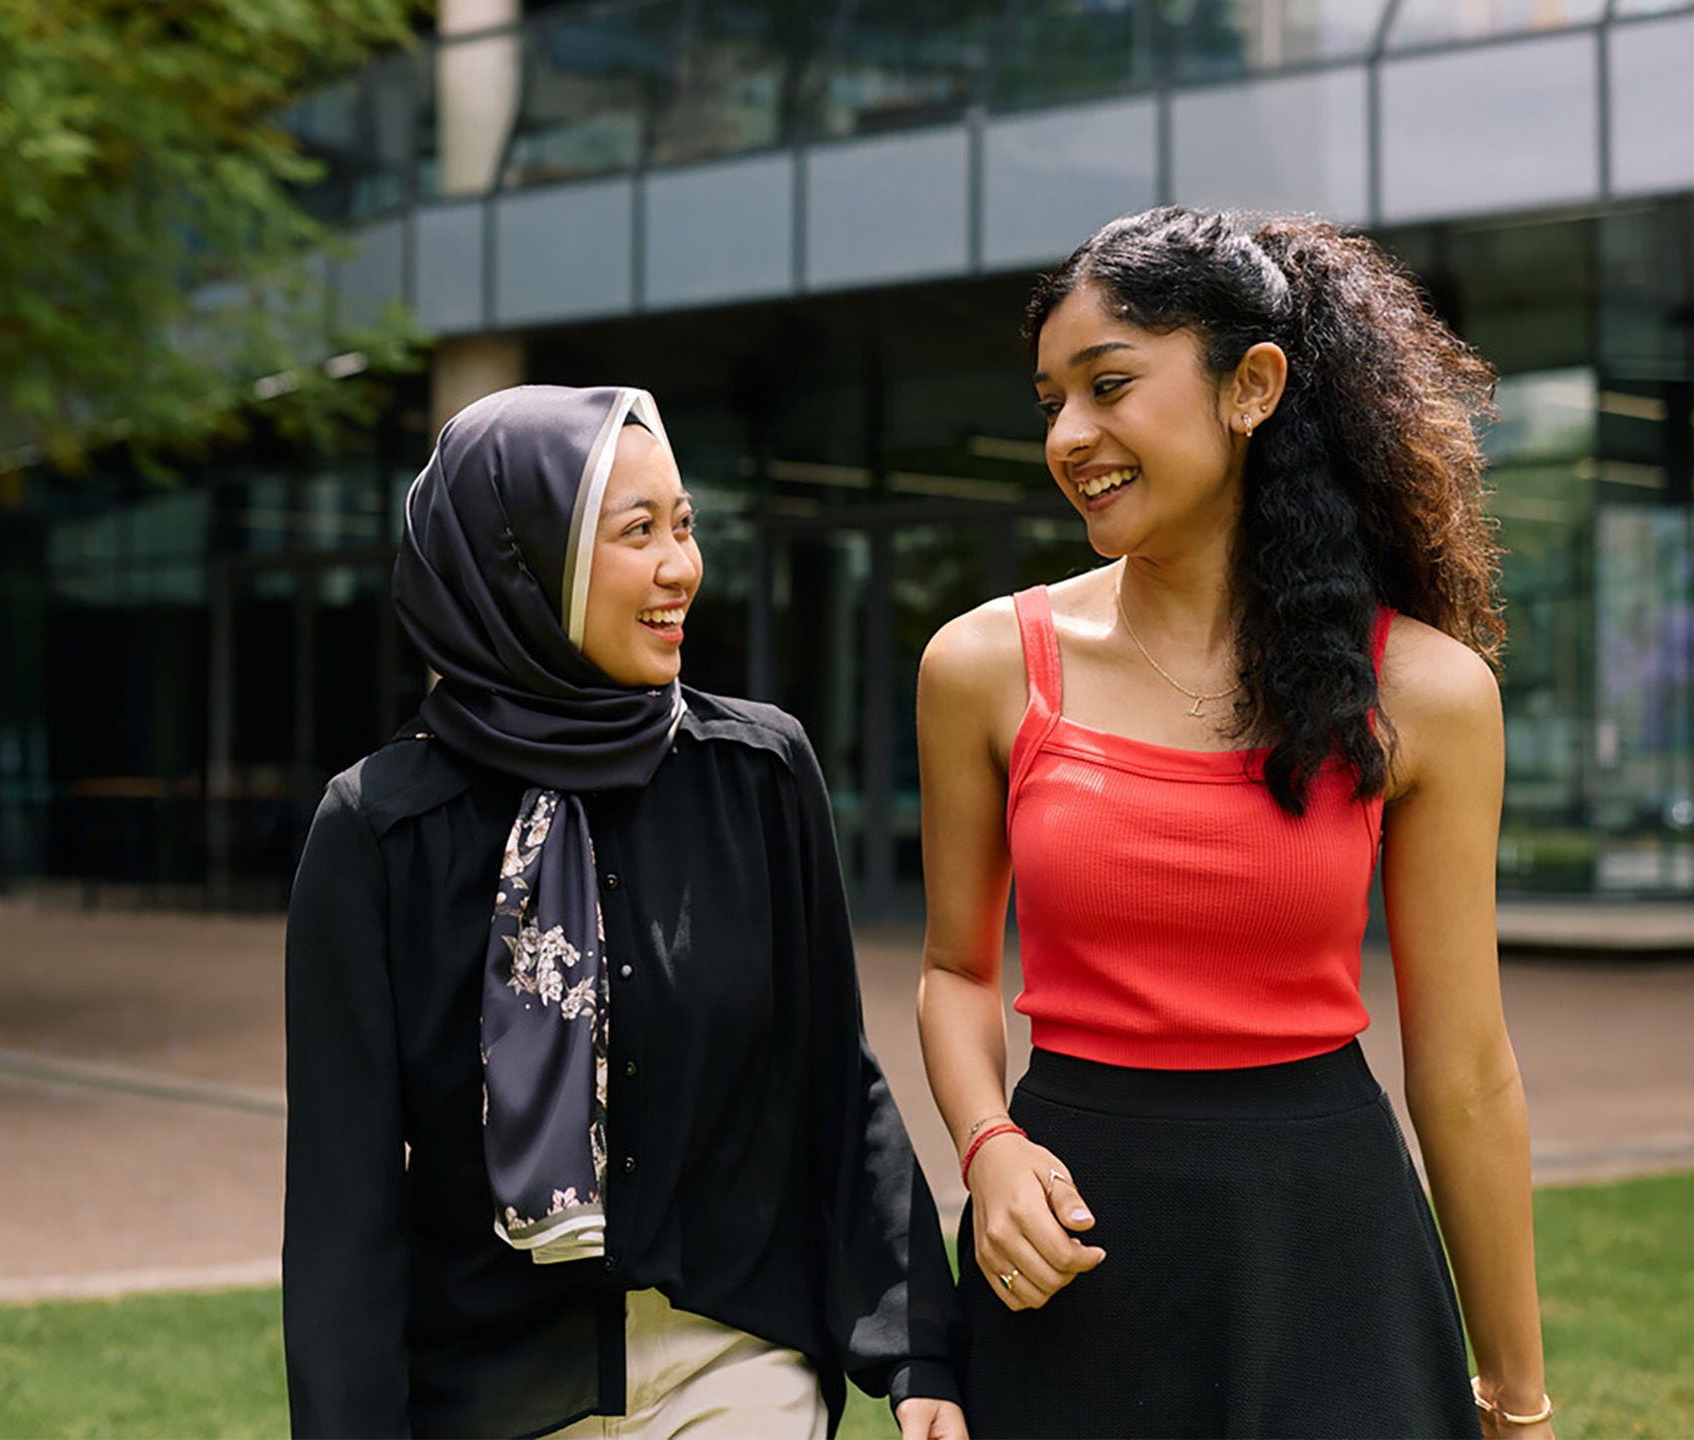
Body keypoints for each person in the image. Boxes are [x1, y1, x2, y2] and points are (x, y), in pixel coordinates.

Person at [914, 208, 1552, 1440]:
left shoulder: (1424, 696)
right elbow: (952, 969)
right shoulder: (987, 666)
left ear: (1251, 386)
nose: (1068, 436)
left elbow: (1467, 1078)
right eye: (1050, 399)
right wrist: (986, 1143)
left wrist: (1516, 1397)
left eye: (1108, 386)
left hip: (1330, 1258)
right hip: (1072, 1254)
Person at [284, 384, 967, 1440]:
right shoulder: (381, 832)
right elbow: (345, 1199)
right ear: (519, 561)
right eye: (637, 531)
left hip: (735, 1360)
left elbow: (835, 1083)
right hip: (491, 1389)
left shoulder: (756, 772)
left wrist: (917, 1347)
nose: (680, 567)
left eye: (686, 526)